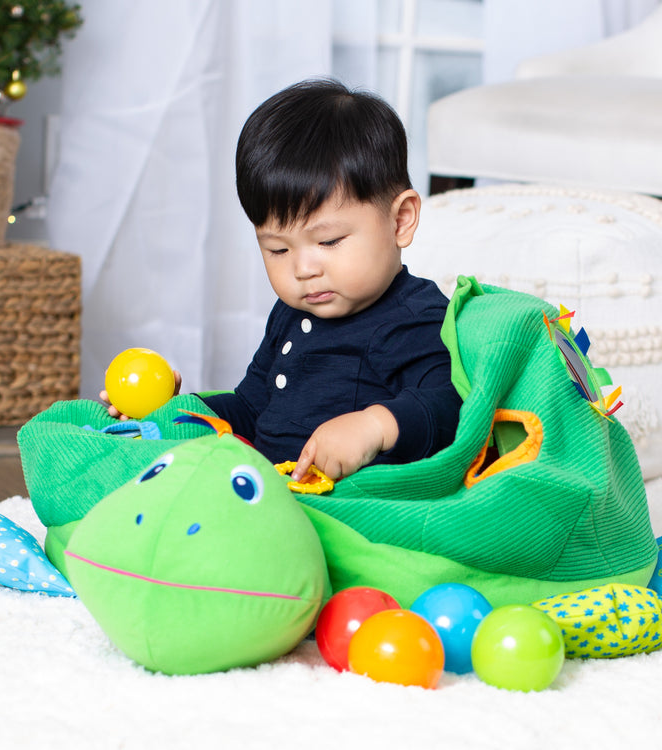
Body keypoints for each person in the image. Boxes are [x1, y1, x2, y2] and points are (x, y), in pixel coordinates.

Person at [102, 78, 461, 481]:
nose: (303, 269)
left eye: (328, 241)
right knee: (84, 433)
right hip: (269, 490)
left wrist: (375, 427)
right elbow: (253, 409)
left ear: (400, 220)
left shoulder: (414, 317)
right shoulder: (292, 313)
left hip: (348, 503)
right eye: (277, 249)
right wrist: (176, 412)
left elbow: (452, 407)